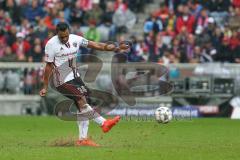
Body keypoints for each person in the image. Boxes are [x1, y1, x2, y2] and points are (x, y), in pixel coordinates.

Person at [39, 22, 129, 147]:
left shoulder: (76, 39)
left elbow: (96, 45)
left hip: (75, 77)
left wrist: (116, 48)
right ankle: (103, 123)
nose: (64, 39)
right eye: (61, 37)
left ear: (69, 32)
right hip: (60, 80)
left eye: (66, 36)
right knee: (81, 100)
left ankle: (83, 139)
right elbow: (48, 66)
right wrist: (45, 86)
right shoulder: (51, 44)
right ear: (57, 34)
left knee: (83, 105)